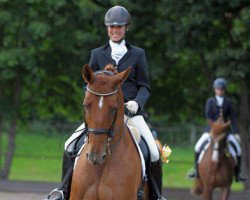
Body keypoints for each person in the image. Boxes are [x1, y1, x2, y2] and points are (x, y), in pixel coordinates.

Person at [46, 5, 165, 200]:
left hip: (130, 114)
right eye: (111, 27)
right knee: (69, 145)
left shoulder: (137, 54)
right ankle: (63, 191)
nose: (115, 30)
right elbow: (88, 84)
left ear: (126, 28)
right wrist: (94, 98)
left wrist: (137, 103)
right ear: (107, 29)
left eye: (119, 27)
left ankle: (157, 196)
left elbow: (145, 86)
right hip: (100, 115)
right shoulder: (97, 54)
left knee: (153, 151)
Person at [187, 78, 247, 182]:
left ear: (224, 90)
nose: (219, 91)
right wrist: (215, 127)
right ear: (215, 90)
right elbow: (208, 117)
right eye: (218, 89)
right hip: (211, 131)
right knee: (197, 147)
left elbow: (232, 118)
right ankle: (196, 171)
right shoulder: (210, 101)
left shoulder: (228, 102)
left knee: (238, 149)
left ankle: (238, 174)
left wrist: (236, 133)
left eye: (221, 89)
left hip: (225, 133)